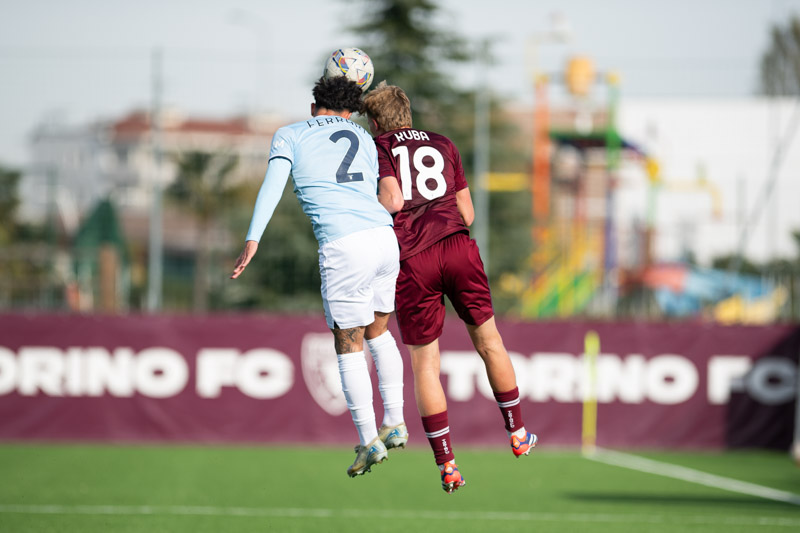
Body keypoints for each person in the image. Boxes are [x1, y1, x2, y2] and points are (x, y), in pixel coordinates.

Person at [362, 82, 537, 494]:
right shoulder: (443, 143)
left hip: (414, 260)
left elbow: (392, 200)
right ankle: (518, 433)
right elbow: (467, 213)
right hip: (458, 248)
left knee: (426, 365)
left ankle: (448, 465)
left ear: (376, 123)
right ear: (408, 113)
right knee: (490, 342)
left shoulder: (378, 147)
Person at [231, 75, 407, 478]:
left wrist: (253, 238)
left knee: (348, 345)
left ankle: (368, 440)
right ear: (351, 111)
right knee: (380, 333)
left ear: (314, 107)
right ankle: (395, 420)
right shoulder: (365, 137)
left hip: (344, 244)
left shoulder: (290, 134)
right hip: (384, 239)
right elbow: (386, 194)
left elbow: (272, 187)